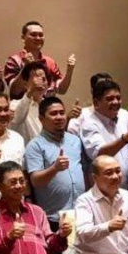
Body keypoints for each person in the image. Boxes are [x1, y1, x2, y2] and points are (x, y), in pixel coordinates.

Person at [24, 96, 88, 232]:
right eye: (53, 114)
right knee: (60, 253)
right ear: (41, 118)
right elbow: (35, 181)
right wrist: (55, 168)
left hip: (80, 213)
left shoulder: (75, 140)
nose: (59, 117)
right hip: (53, 218)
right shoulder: (35, 145)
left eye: (61, 112)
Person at [80, 79, 128, 190]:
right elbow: (99, 154)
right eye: (109, 99)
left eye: (118, 98)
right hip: (104, 190)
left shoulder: (125, 115)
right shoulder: (89, 124)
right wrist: (126, 138)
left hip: (127, 188)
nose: (115, 102)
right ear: (96, 103)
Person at [4, 21, 75, 99]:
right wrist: (26, 67)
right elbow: (14, 90)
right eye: (33, 35)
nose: (37, 38)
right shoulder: (15, 60)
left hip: (45, 108)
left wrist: (69, 71)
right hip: (22, 108)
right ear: (23, 37)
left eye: (40, 35)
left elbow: (61, 90)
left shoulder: (49, 62)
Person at [9, 61, 49, 141]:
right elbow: (16, 120)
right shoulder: (15, 104)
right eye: (37, 77)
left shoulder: (49, 105)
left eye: (44, 78)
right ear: (25, 84)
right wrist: (31, 92)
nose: (41, 81)